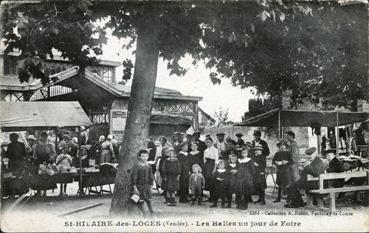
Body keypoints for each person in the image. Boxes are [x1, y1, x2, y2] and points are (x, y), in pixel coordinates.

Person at [131, 149, 154, 215]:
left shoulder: (148, 166)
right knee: (139, 200)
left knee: (149, 199)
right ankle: (144, 214)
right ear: (139, 157)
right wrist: (135, 187)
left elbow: (151, 176)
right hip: (139, 186)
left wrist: (151, 186)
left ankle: (152, 212)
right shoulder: (137, 166)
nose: (145, 158)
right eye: (143, 156)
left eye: (146, 156)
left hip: (147, 186)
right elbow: (134, 177)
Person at [236, 143, 255, 210]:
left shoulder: (249, 160)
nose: (244, 154)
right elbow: (237, 168)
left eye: (245, 153)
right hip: (239, 177)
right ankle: (239, 204)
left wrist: (249, 176)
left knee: (245, 191)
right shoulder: (239, 160)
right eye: (243, 153)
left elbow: (252, 170)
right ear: (241, 153)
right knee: (239, 191)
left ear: (247, 153)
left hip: (247, 177)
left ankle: (245, 205)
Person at [203, 137, 219, 202]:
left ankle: (214, 197)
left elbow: (216, 160)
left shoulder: (215, 150)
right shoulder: (205, 150)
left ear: (212, 142)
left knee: (213, 181)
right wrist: (205, 167)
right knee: (208, 181)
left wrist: (214, 169)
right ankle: (210, 197)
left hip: (213, 165)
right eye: (206, 142)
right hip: (207, 165)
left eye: (209, 142)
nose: (208, 143)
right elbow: (204, 159)